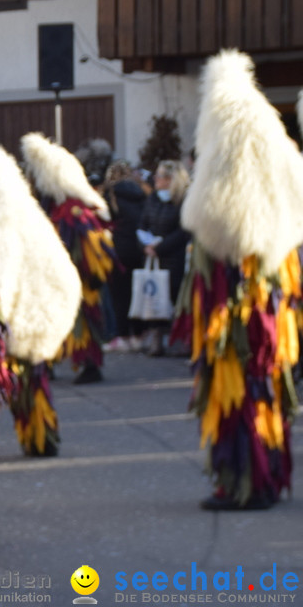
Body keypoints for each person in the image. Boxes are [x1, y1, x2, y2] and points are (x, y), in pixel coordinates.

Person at [172, 49, 303, 511]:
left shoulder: (231, 136)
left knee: (240, 380)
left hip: (239, 289)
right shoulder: (274, 136)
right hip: (272, 282)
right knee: (265, 380)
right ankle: (266, 472)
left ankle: (245, 482)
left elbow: (214, 217)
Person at [0, 141, 82, 458]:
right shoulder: (31, 211)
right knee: (35, 379)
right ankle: (42, 437)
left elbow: (4, 268)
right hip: (41, 311)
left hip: (14, 315)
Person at [22, 132, 119, 385]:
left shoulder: (73, 209)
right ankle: (49, 362)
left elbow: (89, 245)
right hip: (54, 277)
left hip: (79, 277)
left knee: (84, 321)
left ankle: (90, 364)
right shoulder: (53, 206)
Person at [137, 159, 190, 356]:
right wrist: (145, 246)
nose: (155, 179)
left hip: (173, 257)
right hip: (153, 258)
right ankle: (156, 338)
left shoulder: (182, 199)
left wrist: (161, 247)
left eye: (159, 176)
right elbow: (142, 223)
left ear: (170, 179)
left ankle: (183, 339)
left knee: (177, 297)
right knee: (154, 296)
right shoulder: (153, 199)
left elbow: (183, 230)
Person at [102, 161, 148, 352]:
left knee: (119, 295)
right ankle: (138, 335)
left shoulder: (110, 194)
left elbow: (105, 220)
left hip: (118, 249)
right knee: (136, 292)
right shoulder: (140, 192)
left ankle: (123, 336)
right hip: (139, 247)